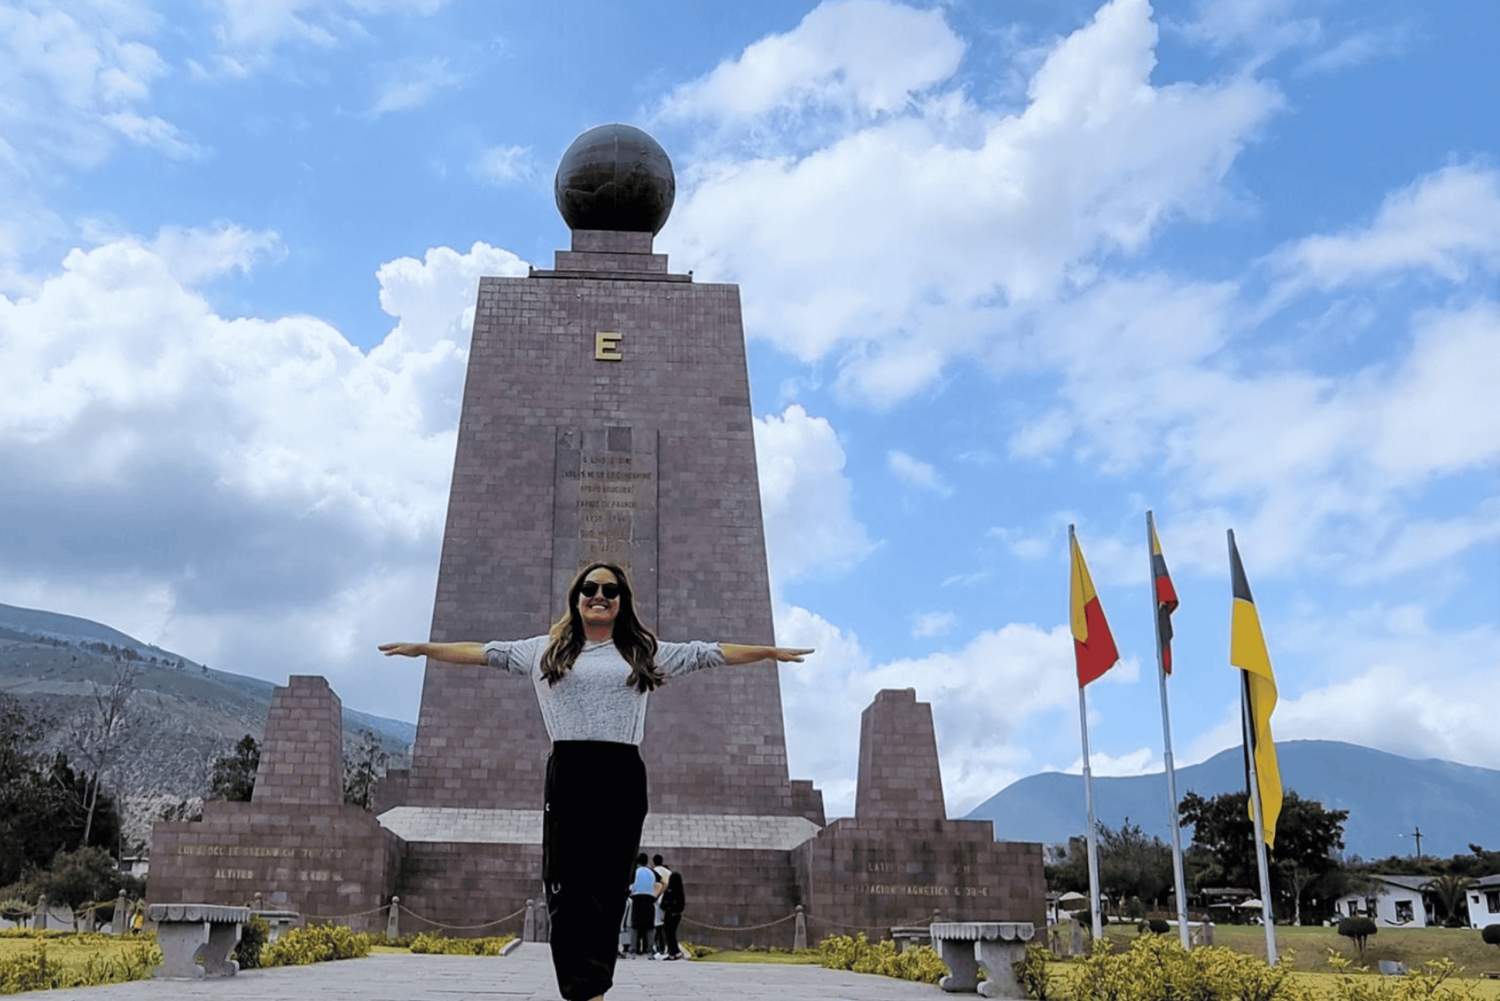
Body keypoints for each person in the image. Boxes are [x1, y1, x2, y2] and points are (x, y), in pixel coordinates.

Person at [380, 561, 811, 1001]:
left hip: (621, 774)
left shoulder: (642, 650)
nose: (599, 595)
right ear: (577, 597)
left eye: (610, 589)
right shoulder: (543, 650)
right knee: (565, 889)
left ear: (621, 601)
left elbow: (707, 653)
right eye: (590, 588)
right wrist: (424, 648)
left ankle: (594, 992)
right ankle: (581, 991)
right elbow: (483, 652)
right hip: (569, 771)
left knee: (607, 890)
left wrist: (766, 652)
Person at [629, 853, 657, 956]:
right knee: (649, 926)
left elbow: (631, 886)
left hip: (636, 899)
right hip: (649, 899)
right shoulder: (651, 872)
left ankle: (633, 949)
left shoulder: (635, 871)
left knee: (635, 925)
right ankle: (649, 949)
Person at [660, 869, 685, 960]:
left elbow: (663, 904)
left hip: (669, 915)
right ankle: (674, 951)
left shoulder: (668, 891)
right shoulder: (680, 892)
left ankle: (673, 952)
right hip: (676, 915)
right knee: (672, 934)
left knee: (669, 934)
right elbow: (681, 905)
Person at [651, 854, 671, 957]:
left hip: (658, 899)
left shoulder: (655, 871)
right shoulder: (668, 872)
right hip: (669, 900)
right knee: (665, 925)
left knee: (657, 925)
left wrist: (657, 895)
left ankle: (660, 947)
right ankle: (666, 947)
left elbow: (660, 884)